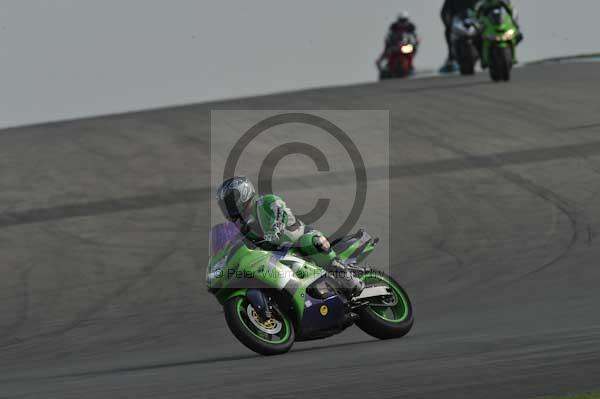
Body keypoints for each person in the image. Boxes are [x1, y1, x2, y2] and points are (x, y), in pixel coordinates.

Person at [216, 176, 365, 297]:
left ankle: (350, 281)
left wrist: (275, 230)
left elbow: (280, 214)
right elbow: (235, 246)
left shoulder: (265, 202)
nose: (228, 207)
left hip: (298, 241)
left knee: (311, 242)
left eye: (230, 200)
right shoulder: (242, 227)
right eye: (225, 204)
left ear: (244, 194)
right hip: (277, 255)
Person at [440, 0, 479, 73]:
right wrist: (448, 23)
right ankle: (451, 56)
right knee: (448, 33)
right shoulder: (450, 1)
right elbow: (444, 13)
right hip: (457, 23)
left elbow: (481, 7)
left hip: (472, 22)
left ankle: (484, 56)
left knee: (481, 33)